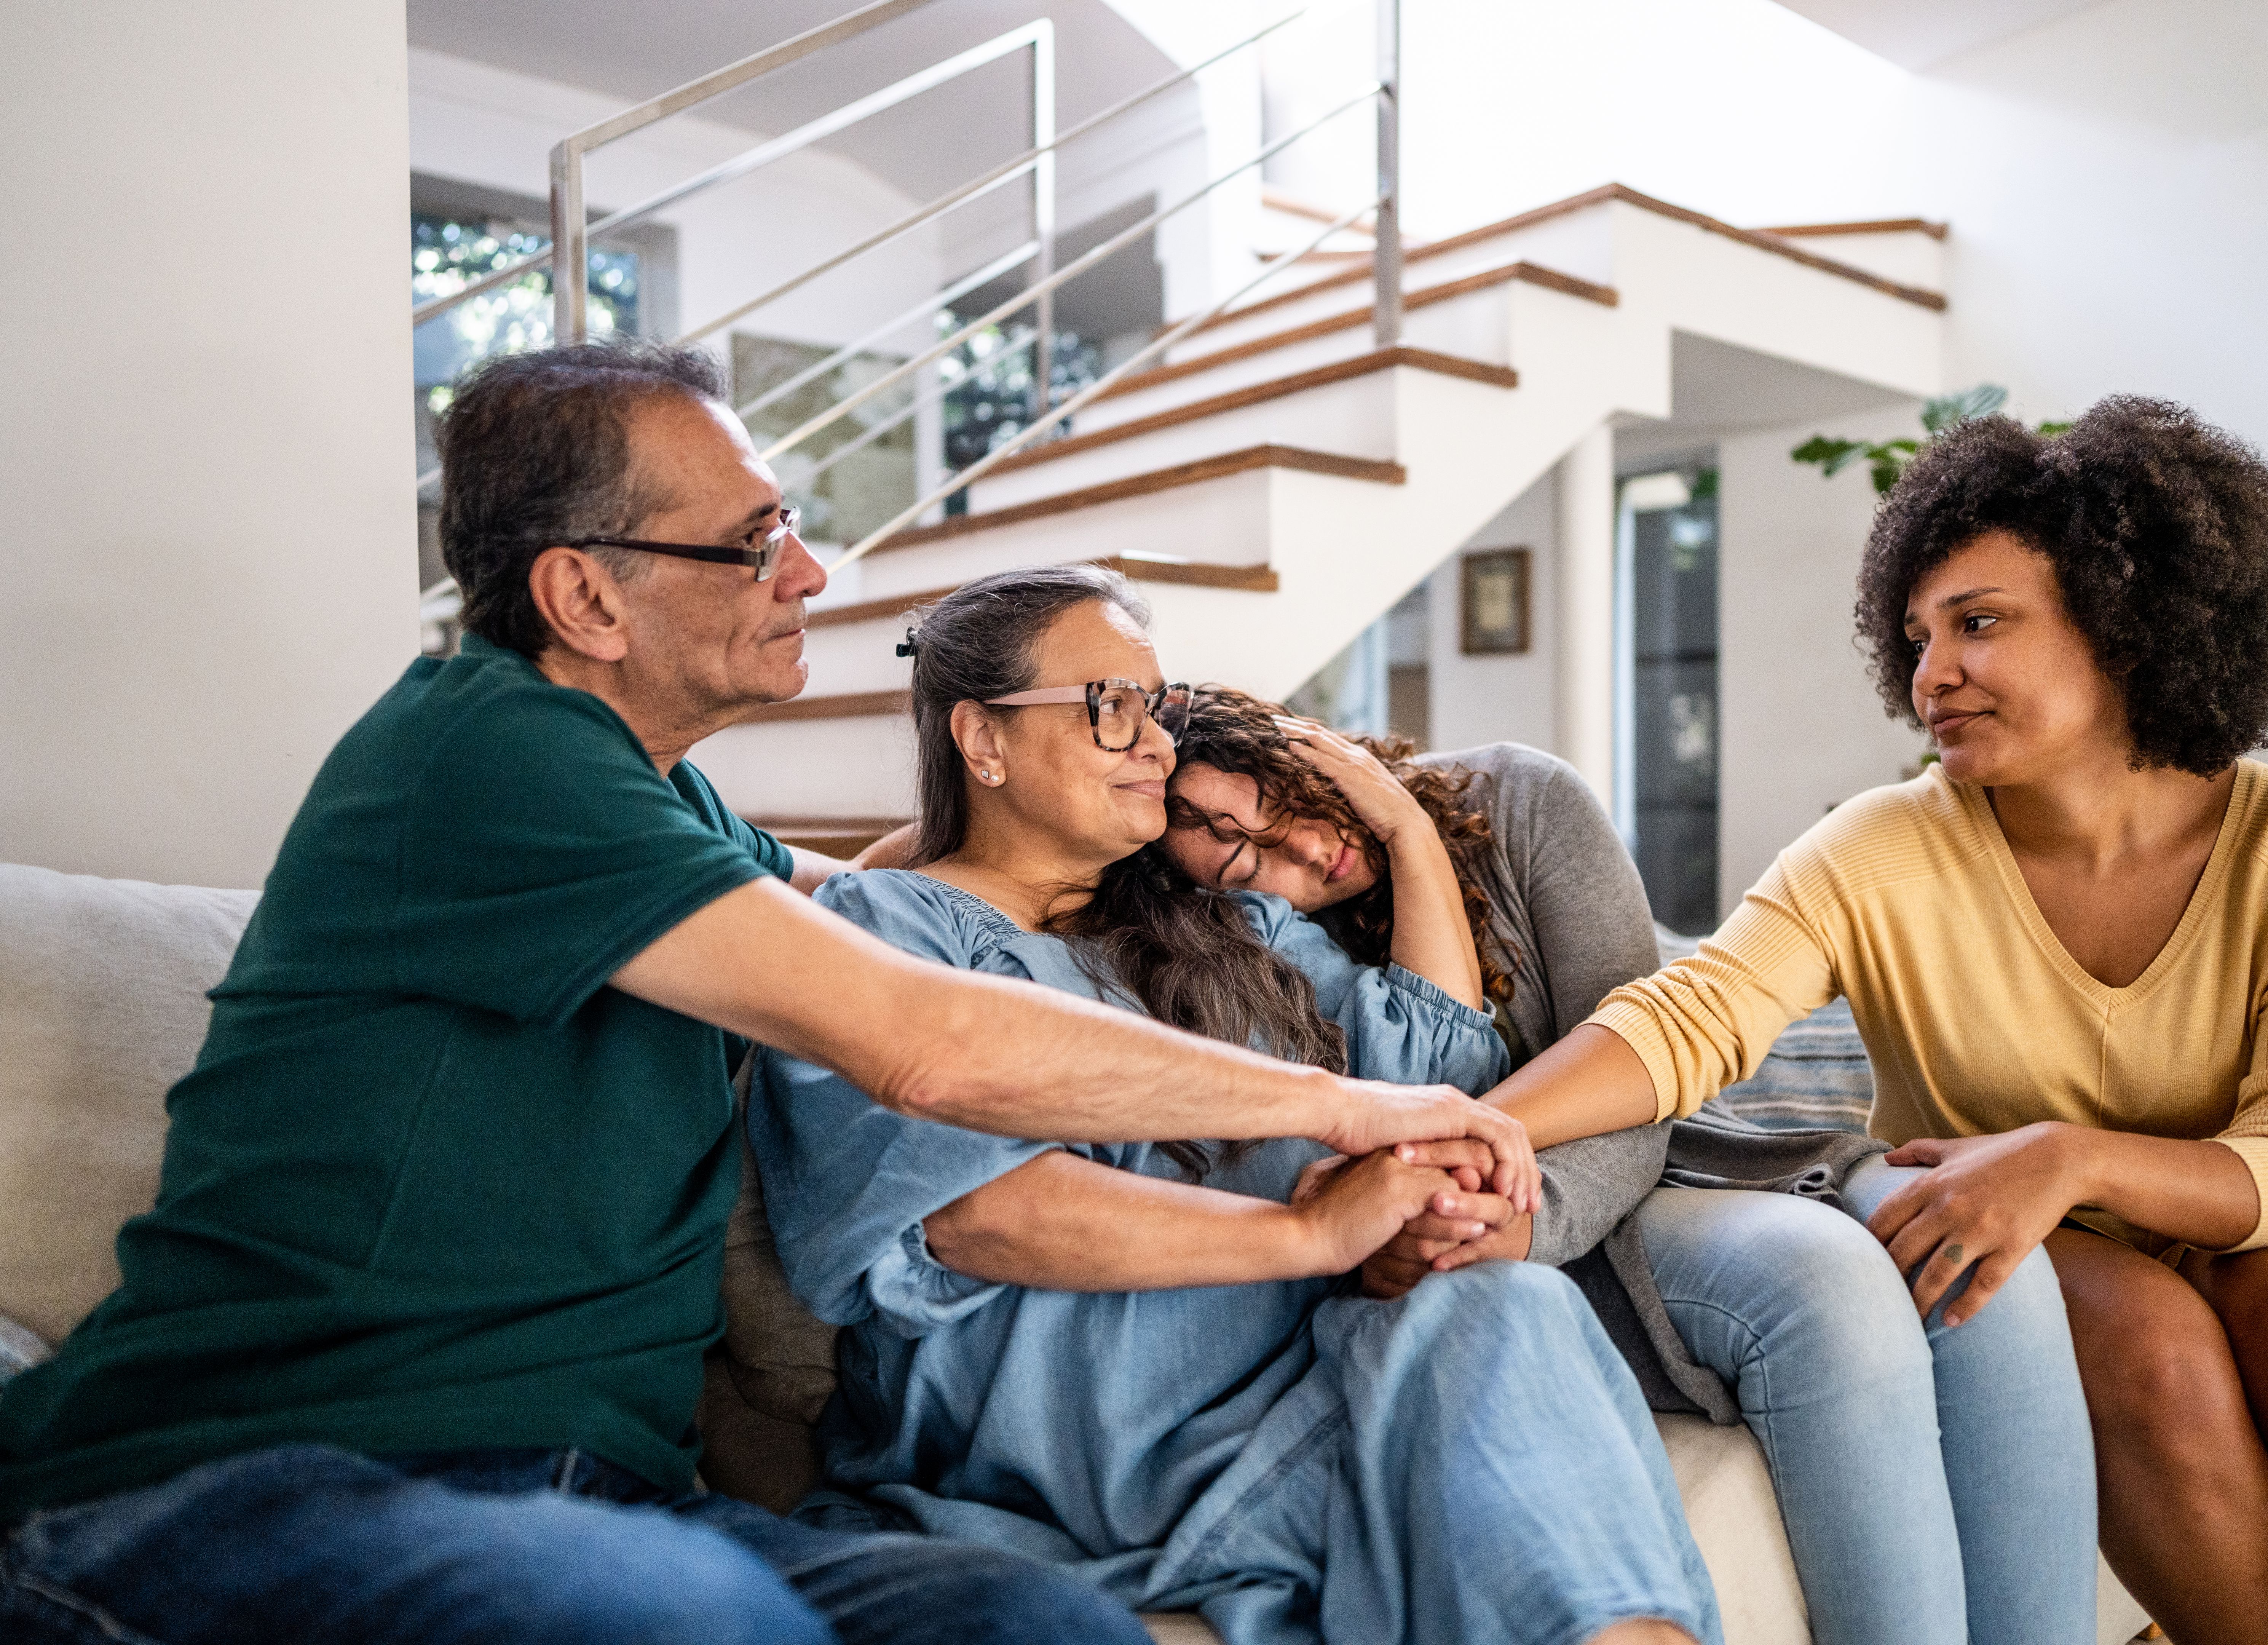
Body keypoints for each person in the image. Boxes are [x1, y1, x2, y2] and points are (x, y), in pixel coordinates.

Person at [0, 339, 1536, 1645]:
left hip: (605, 1494)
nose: (810, 572)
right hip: (255, 1476)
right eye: (752, 543)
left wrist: (1082, 808)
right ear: (587, 598)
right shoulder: (487, 760)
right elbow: (925, 1039)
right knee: (684, 1617)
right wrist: (1346, 1114)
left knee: (1036, 1625)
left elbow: (880, 899)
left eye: (789, 526)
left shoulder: (665, 807)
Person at [1458, 396, 2268, 1645]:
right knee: (2146, 1339)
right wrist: (1474, 1130)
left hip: (2231, 1219)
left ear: (2125, 618)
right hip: (2043, 1246)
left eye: (1980, 623)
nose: (1931, 675)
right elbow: (1696, 1013)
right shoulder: (1883, 846)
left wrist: (2073, 1156)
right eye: (1918, 636)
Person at [749, 564, 1723, 1645]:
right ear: (983, 740)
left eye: (1157, 710)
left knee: (1511, 1307)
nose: (1156, 748)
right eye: (1112, 709)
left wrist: (1405, 834)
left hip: (1311, 1411)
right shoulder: (887, 937)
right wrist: (1307, 1233)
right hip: (1083, 1456)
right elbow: (971, 1215)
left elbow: (1435, 1074)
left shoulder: (1231, 928)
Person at [1157, 692, 2097, 1645]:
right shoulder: (1262, 955)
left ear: (1314, 746)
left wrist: (1408, 828)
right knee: (1827, 1280)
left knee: (1980, 1250)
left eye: (1288, 799)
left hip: (1676, 1148)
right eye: (1250, 863)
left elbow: (1647, 1069)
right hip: (1548, 1236)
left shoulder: (1521, 800)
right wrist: (1507, 1224)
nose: (1306, 850)